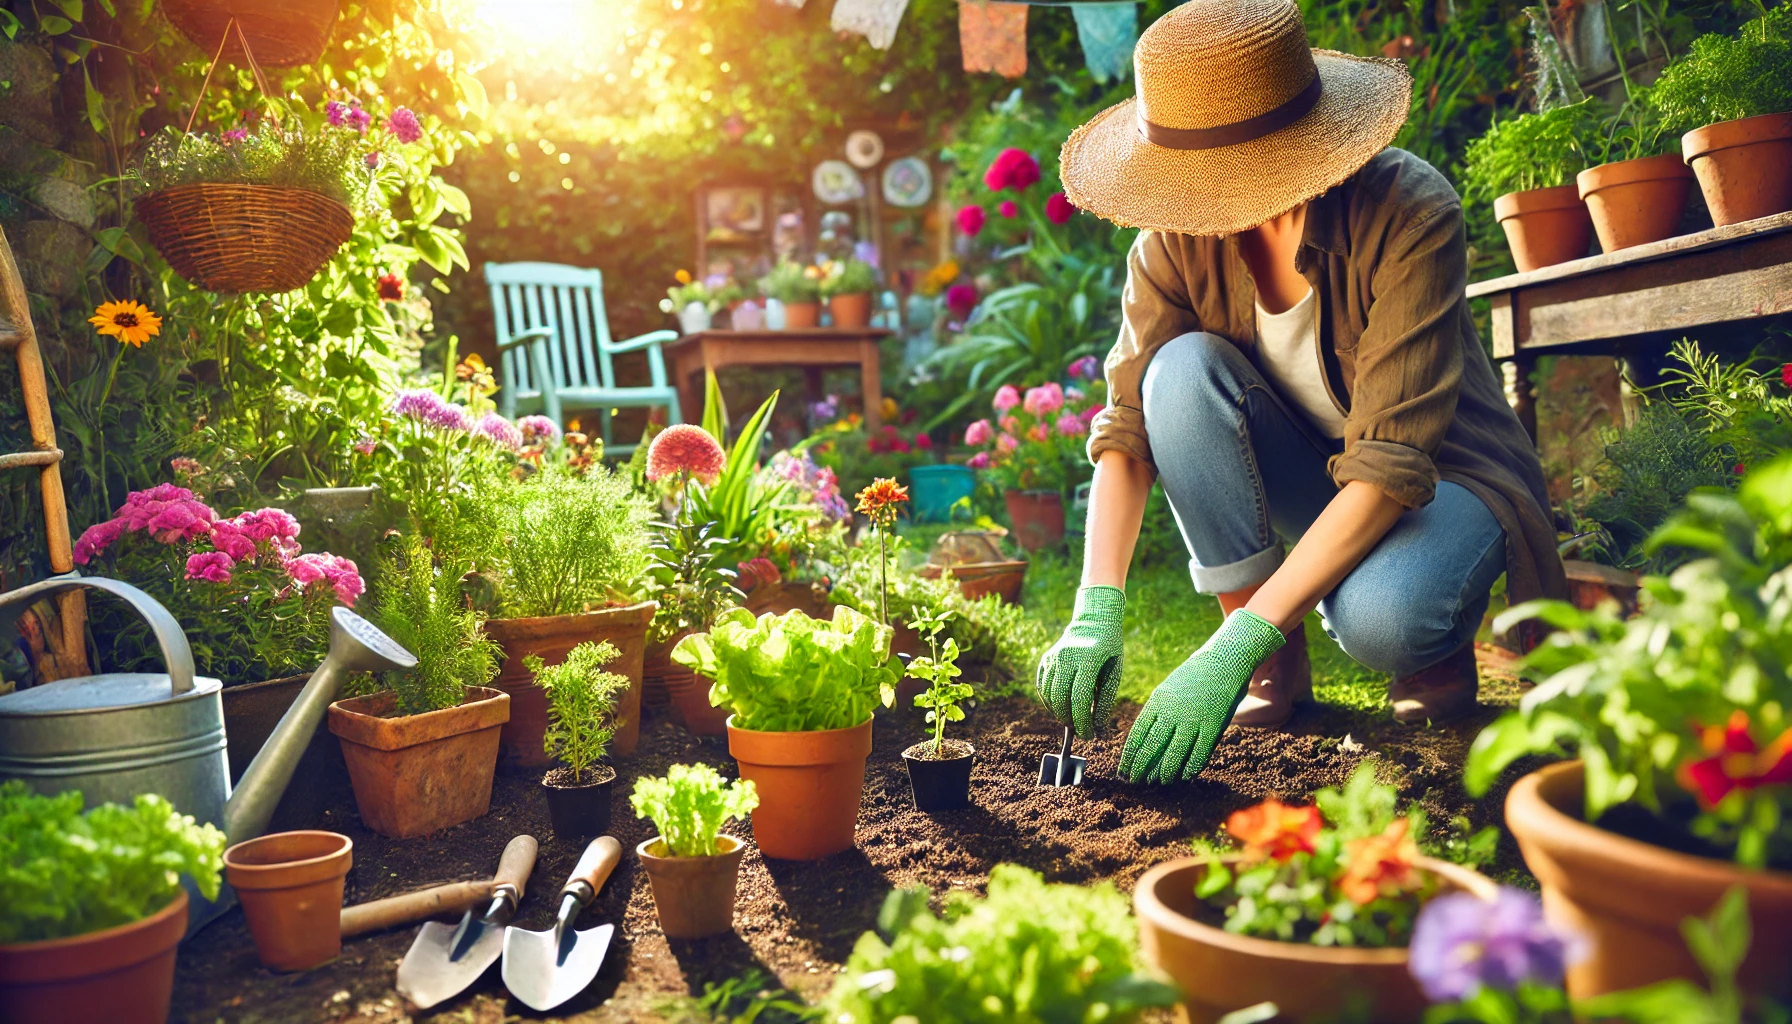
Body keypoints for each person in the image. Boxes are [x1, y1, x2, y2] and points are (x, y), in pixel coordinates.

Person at [1037, 0, 1566, 785]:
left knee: (1382, 619)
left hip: (1444, 479)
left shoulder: (1408, 211)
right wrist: (1096, 605)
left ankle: (1431, 652)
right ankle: (1268, 661)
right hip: (1314, 476)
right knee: (1175, 374)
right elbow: (1130, 428)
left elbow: (1392, 461)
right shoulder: (1171, 248)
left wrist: (1231, 640)